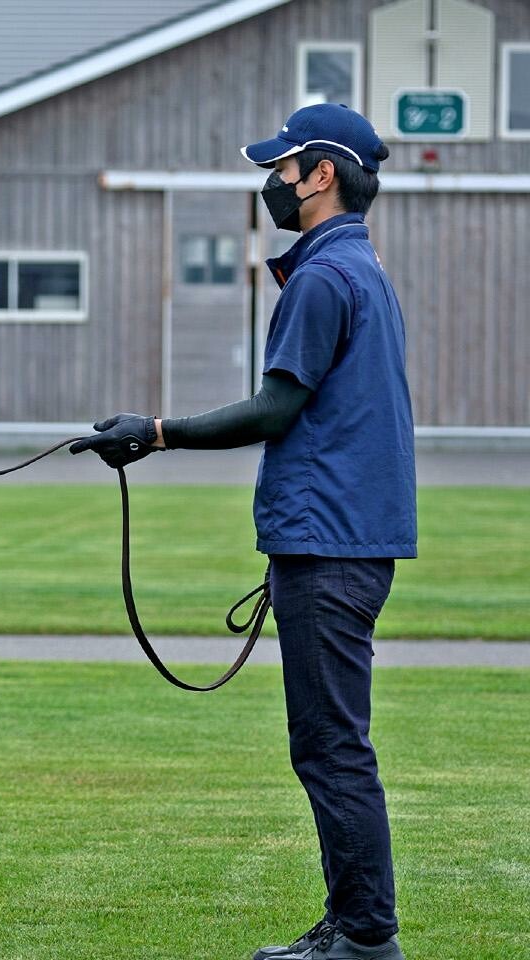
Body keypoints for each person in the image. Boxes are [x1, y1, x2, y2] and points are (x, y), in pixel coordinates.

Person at [71, 103, 417, 960]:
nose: (273, 182)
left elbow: (276, 407)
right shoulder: (359, 271)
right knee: (330, 745)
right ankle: (354, 927)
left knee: (331, 748)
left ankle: (366, 937)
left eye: (283, 167)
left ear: (321, 175)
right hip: (342, 541)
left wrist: (153, 431)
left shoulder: (322, 280)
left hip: (329, 547)